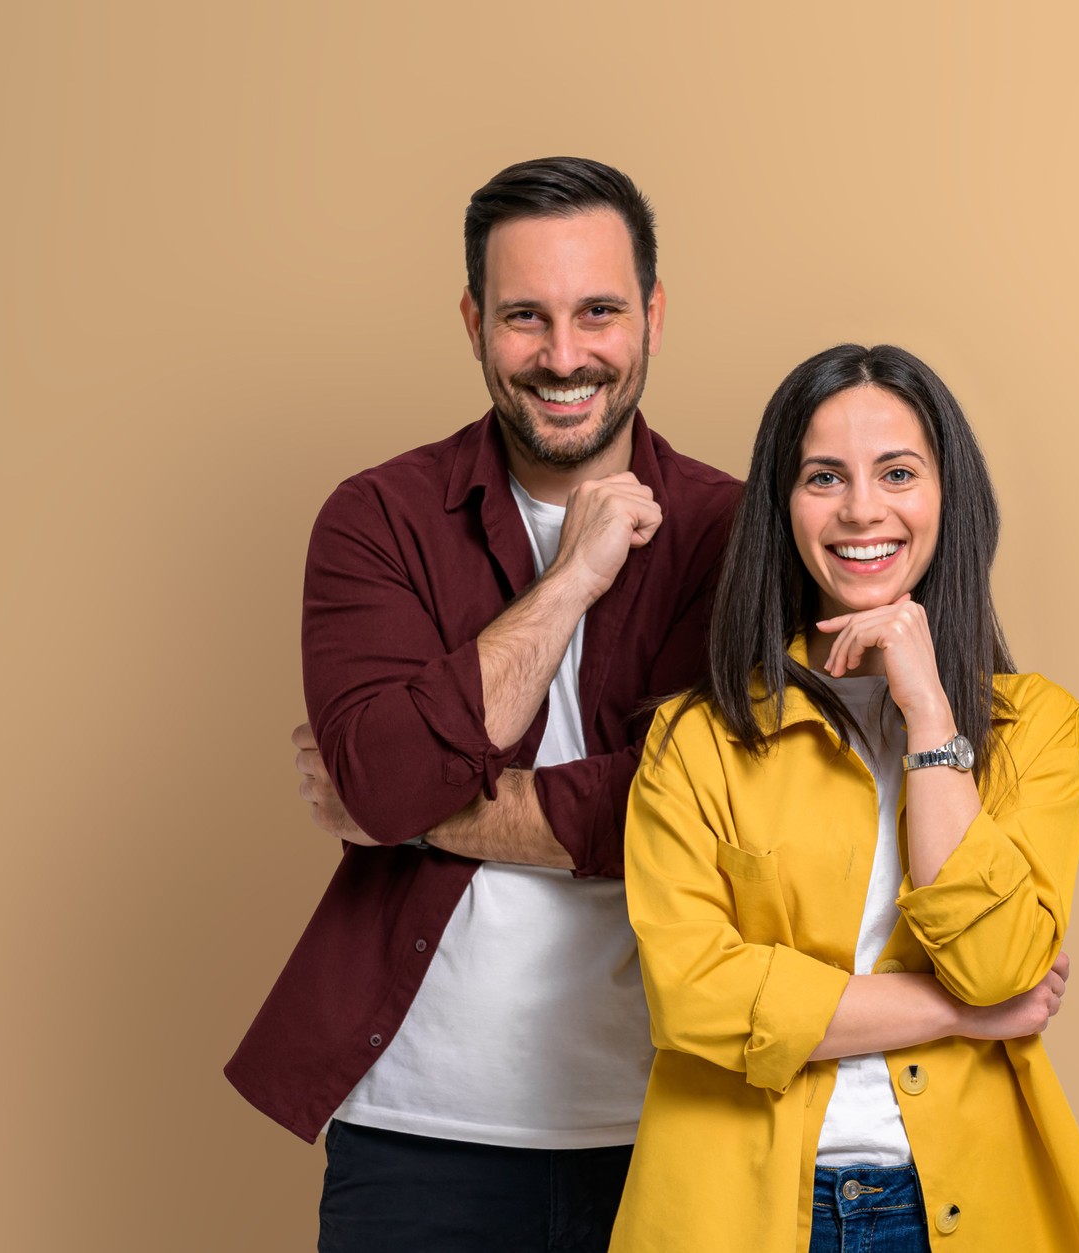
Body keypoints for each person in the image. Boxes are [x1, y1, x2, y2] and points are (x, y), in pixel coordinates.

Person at [224, 156, 743, 1252]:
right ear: (473, 322)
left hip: (675, 1126)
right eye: (525, 317)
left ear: (652, 314)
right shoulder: (377, 517)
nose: (564, 356)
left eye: (598, 310)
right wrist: (573, 578)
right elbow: (397, 771)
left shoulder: (733, 534)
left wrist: (409, 804)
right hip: (415, 1142)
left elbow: (703, 814)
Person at [611, 344, 1079, 1251]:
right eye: (823, 477)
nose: (862, 509)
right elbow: (692, 995)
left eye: (897, 472)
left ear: (946, 498)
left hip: (963, 1206)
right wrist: (960, 1015)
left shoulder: (1036, 728)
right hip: (739, 1212)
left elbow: (1001, 962)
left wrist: (930, 715)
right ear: (783, 508)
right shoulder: (695, 742)